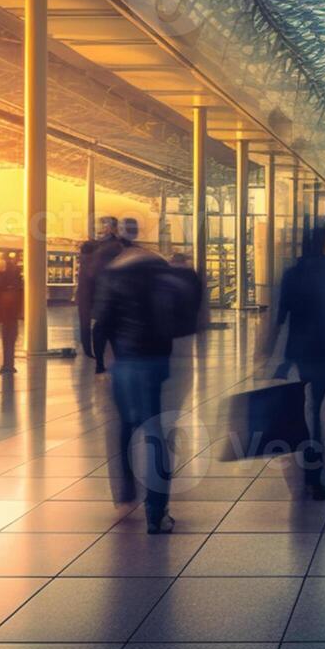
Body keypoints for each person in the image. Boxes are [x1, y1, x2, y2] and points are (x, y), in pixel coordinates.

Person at [94, 226, 193, 534]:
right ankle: (157, 513)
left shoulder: (114, 276)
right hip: (155, 362)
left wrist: (100, 365)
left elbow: (100, 327)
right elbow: (180, 320)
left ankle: (125, 494)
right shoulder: (161, 275)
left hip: (123, 364)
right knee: (155, 434)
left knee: (125, 427)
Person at [264, 220, 325, 500]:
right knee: (317, 409)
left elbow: (280, 316)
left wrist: (272, 352)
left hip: (300, 349)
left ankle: (306, 464)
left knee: (305, 406)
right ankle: (314, 476)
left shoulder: (293, 274)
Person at [87, 219, 136, 372]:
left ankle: (102, 363)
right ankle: (113, 362)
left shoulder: (110, 247)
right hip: (114, 296)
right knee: (110, 330)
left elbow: (94, 271)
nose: (103, 229)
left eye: (106, 226)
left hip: (109, 295)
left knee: (102, 330)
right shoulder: (118, 246)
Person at [75, 217, 117, 361]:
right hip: (94, 291)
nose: (101, 229)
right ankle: (92, 349)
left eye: (105, 225)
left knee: (101, 322)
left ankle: (93, 349)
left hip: (99, 292)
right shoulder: (92, 247)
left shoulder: (113, 247)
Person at [0, 253, 23, 375]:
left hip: (6, 315)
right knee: (10, 339)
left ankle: (7, 365)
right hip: (12, 316)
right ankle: (9, 364)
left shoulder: (2, 280)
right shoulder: (16, 281)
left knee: (7, 339)